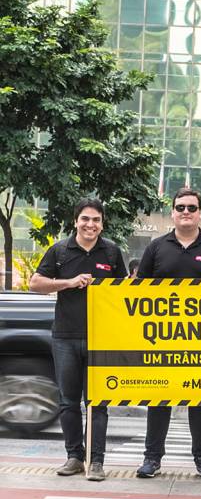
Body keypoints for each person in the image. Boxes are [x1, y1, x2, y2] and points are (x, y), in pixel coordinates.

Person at [135, 188, 201, 480]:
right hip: (162, 339)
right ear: (173, 213)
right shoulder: (156, 248)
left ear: (200, 213)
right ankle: (152, 458)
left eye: (191, 207)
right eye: (180, 207)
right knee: (159, 399)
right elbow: (138, 292)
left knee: (200, 401)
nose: (186, 212)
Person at [30, 198, 128, 482]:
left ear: (102, 224)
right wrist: (69, 282)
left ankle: (95, 461)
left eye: (96, 220)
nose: (90, 225)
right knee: (68, 402)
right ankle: (74, 457)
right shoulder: (60, 250)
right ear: (75, 221)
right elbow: (35, 283)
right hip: (65, 337)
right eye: (85, 219)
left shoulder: (111, 252)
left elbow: (122, 291)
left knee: (98, 403)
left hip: (100, 340)